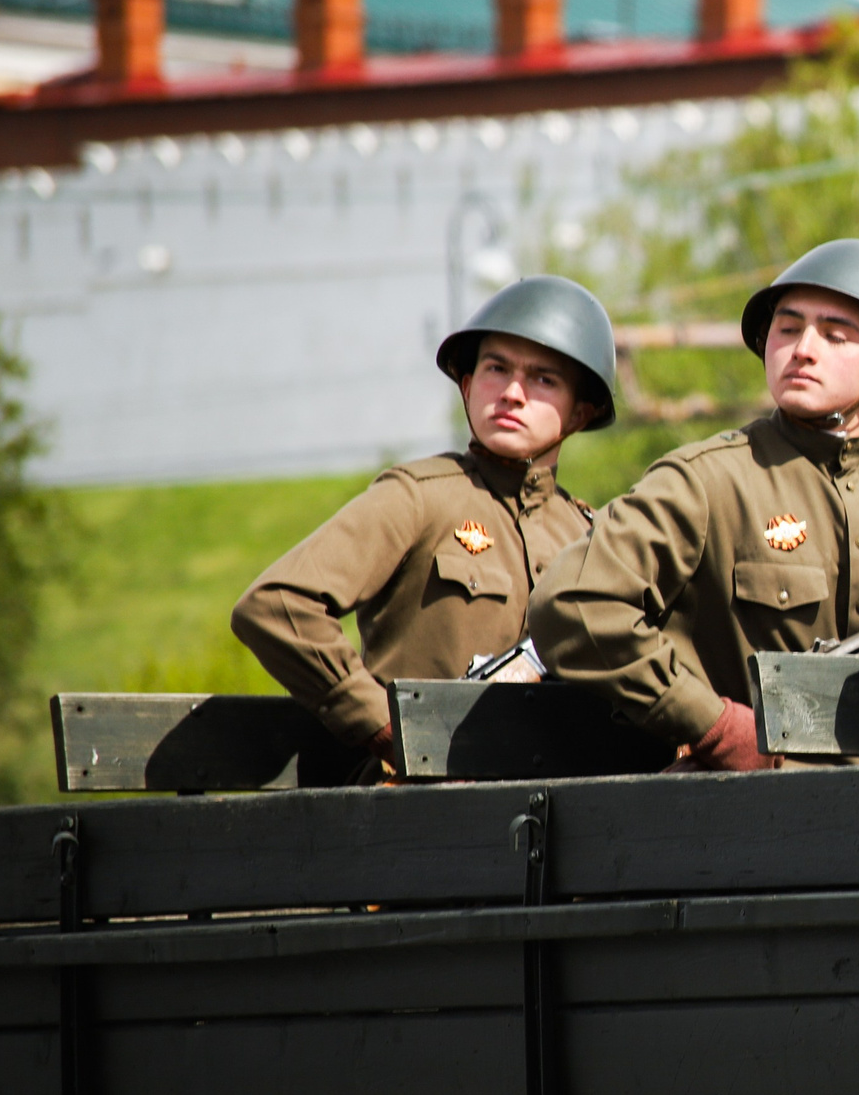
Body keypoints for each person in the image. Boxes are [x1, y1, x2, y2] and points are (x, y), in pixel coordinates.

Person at [528, 240, 859, 771]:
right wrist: (712, 724)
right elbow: (571, 604)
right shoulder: (705, 480)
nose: (804, 349)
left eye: (835, 335)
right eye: (788, 329)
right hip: (750, 821)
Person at [231, 276, 615, 772]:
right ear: (469, 385)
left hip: (559, 815)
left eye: (544, 379)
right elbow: (274, 607)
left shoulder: (593, 537)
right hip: (417, 817)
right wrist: (390, 731)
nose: (513, 393)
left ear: (579, 413)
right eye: (497, 369)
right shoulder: (418, 497)